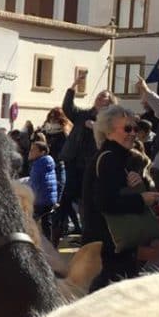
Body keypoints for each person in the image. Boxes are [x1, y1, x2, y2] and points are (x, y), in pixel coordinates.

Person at [82, 104, 159, 290]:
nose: (133, 133)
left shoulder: (115, 157)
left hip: (109, 246)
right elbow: (107, 203)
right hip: (109, 249)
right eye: (127, 128)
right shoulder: (110, 158)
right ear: (108, 132)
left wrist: (135, 185)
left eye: (135, 128)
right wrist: (142, 200)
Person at [61, 83, 113, 241]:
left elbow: (109, 136)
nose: (99, 98)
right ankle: (57, 231)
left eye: (103, 97)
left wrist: (95, 127)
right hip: (73, 160)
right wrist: (72, 88)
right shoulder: (84, 114)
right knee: (67, 197)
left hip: (91, 164)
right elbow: (68, 108)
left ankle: (87, 233)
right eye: (98, 96)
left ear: (110, 102)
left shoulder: (110, 119)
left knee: (86, 198)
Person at [26, 136, 59, 242]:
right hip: (48, 199)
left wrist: (30, 199)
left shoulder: (38, 165)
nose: (30, 152)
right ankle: (50, 245)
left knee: (30, 223)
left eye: (33, 150)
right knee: (46, 224)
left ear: (42, 152)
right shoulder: (47, 162)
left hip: (40, 200)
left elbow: (35, 185)